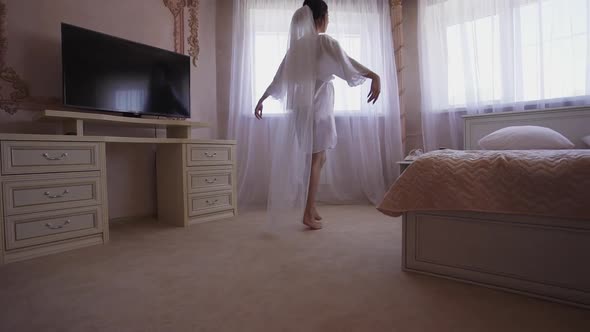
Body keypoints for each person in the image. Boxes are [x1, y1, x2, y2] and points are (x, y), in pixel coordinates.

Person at [254, 0, 381, 230]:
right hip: (317, 108)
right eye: (328, 16)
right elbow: (347, 63)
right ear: (322, 18)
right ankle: (307, 214)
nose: (329, 21)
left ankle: (311, 207)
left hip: (301, 111)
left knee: (319, 158)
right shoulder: (323, 41)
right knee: (316, 159)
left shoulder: (297, 46)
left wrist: (262, 98)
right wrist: (374, 75)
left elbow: (279, 77)